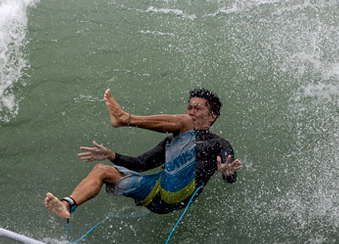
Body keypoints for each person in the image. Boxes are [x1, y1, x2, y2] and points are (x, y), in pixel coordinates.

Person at [45, 88, 242, 221]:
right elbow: (140, 164)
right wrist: (110, 154)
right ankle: (67, 205)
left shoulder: (218, 143)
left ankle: (124, 118)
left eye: (197, 108)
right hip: (156, 193)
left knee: (183, 123)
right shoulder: (172, 141)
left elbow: (231, 177)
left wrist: (226, 173)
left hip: (180, 192)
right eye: (189, 107)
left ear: (212, 116)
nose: (191, 112)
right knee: (101, 170)